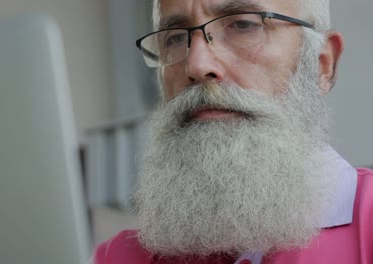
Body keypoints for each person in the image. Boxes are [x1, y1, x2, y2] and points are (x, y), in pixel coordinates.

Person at [93, 0, 373, 263]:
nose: (197, 65)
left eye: (242, 25)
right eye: (175, 38)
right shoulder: (120, 256)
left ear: (322, 64)